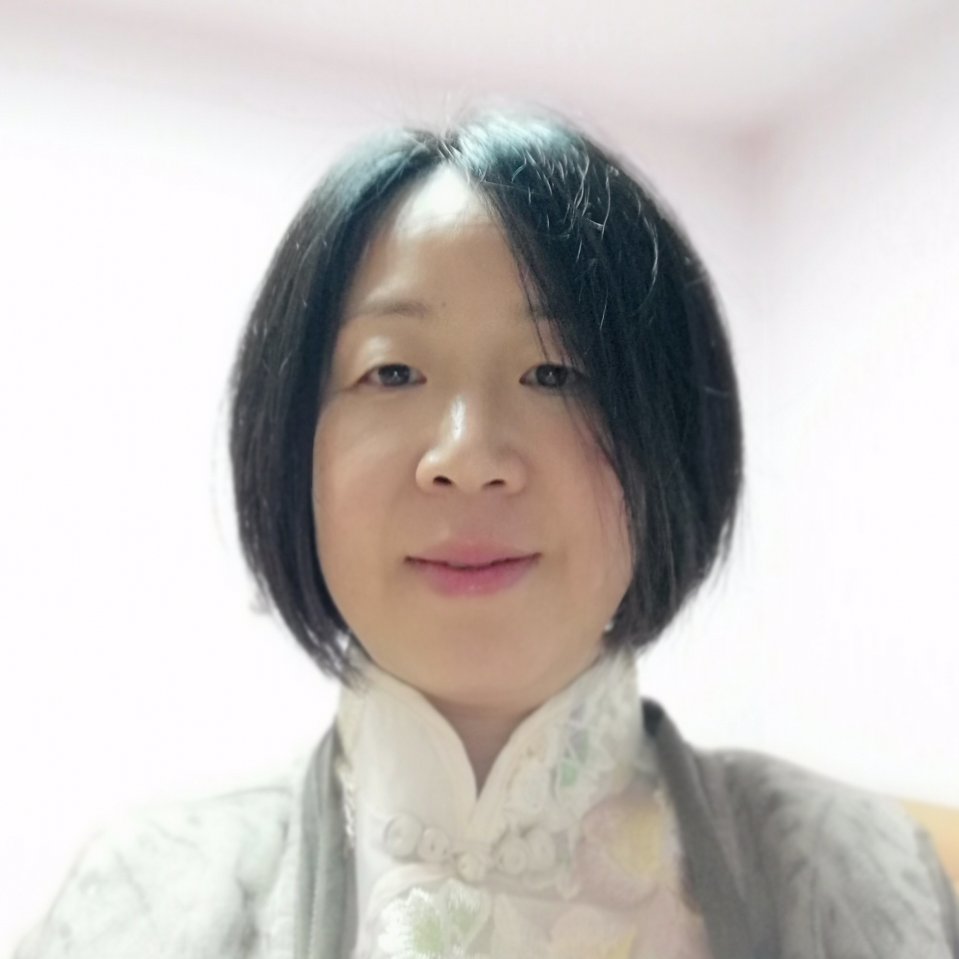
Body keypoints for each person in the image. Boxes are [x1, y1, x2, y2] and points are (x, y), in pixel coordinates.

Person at [14, 108, 958, 959]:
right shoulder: (145, 897)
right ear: (291, 442)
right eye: (391, 372)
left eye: (556, 373)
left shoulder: (859, 876)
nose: (467, 457)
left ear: (670, 438)